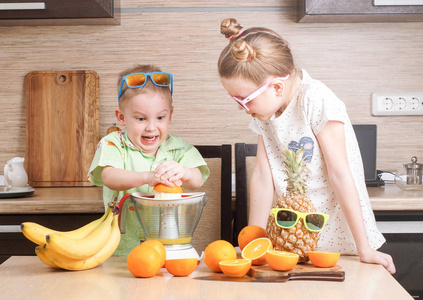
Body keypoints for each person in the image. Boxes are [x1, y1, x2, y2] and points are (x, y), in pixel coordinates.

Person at [217, 18, 395, 274]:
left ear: (276, 87)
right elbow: (262, 177)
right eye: (234, 98)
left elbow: (341, 175)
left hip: (338, 237)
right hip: (290, 238)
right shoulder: (267, 113)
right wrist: (253, 244)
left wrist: (365, 248)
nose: (240, 107)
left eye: (245, 100)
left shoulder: (315, 99)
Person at [88, 64, 210, 256]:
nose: (151, 127)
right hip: (119, 248)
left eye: (160, 117)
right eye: (141, 119)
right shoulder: (113, 144)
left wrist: (184, 172)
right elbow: (109, 176)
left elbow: (196, 180)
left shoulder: (177, 147)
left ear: (170, 115)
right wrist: (147, 177)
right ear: (121, 117)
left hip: (167, 246)